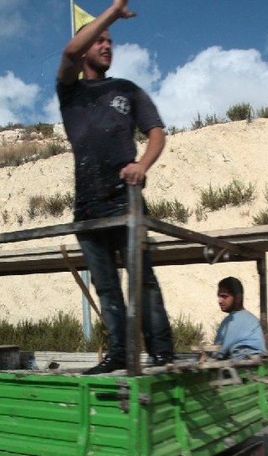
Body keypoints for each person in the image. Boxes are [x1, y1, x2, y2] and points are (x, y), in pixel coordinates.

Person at [56, 0, 174, 374]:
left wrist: (142, 164)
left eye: (111, 41)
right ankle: (119, 354)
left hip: (125, 200)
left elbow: (156, 133)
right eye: (100, 40)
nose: (107, 45)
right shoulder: (70, 92)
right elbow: (70, 50)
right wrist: (114, 11)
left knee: (143, 279)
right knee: (106, 287)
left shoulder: (128, 89)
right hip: (87, 204)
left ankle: (162, 355)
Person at [203, 276, 267, 361]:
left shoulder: (237, 320)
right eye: (219, 296)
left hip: (244, 364)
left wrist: (205, 358)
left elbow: (219, 352)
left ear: (238, 298)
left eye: (224, 297)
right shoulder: (243, 318)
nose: (220, 301)